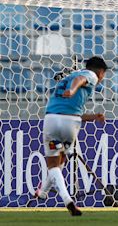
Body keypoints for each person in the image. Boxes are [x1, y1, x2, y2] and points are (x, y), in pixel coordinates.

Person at [34, 57, 108, 216]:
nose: (102, 78)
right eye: (103, 75)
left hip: (53, 120)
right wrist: (72, 90)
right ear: (101, 71)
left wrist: (94, 116)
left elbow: (76, 108)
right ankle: (49, 195)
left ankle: (53, 195)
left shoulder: (69, 76)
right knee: (59, 160)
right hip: (70, 125)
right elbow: (81, 80)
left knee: (55, 162)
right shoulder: (90, 75)